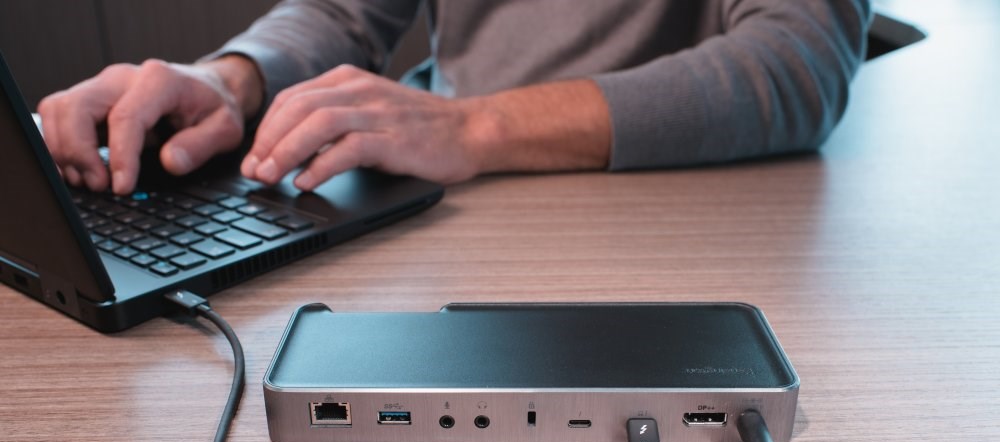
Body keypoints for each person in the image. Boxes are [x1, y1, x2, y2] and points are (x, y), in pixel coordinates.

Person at [37, 0, 871, 195]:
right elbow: (344, 11)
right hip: (435, 200)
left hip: (656, 215)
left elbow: (796, 61)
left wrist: (475, 124)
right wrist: (231, 77)